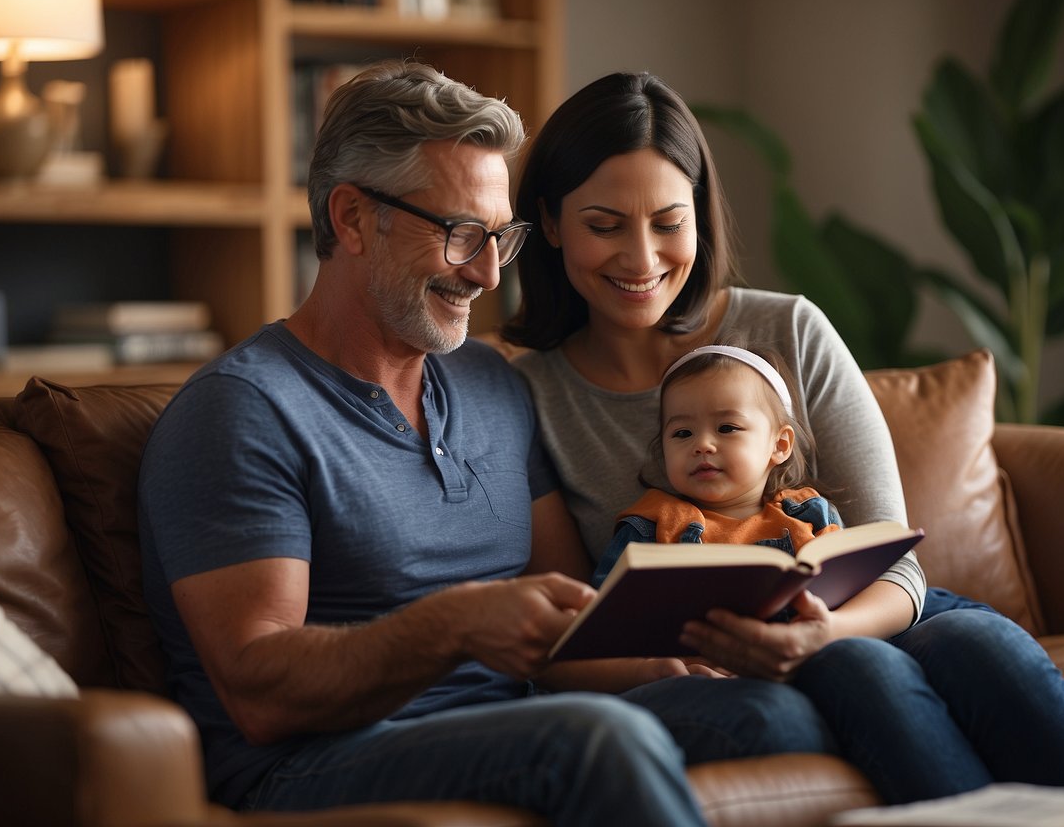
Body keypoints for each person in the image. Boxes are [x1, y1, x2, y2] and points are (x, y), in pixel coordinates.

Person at [503, 70, 1064, 803]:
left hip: (860, 610)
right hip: (721, 659)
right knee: (860, 671)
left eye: (668, 222)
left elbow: (894, 560)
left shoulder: (786, 328)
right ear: (549, 224)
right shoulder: (532, 393)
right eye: (604, 225)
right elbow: (564, 628)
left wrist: (822, 634)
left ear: (700, 218)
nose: (642, 260)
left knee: (981, 643)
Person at [138, 60, 722, 826]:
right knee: (589, 739)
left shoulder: (491, 383)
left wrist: (669, 663)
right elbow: (259, 694)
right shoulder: (242, 412)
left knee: (764, 713)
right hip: (314, 763)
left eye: (499, 237)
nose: (485, 273)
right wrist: (452, 625)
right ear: (351, 219)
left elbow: (567, 627)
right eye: (458, 234)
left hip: (513, 725)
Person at [591, 343, 843, 589]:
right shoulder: (651, 525)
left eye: (726, 428)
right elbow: (607, 612)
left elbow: (849, 588)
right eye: (682, 433)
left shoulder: (809, 514)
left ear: (779, 445)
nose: (702, 445)